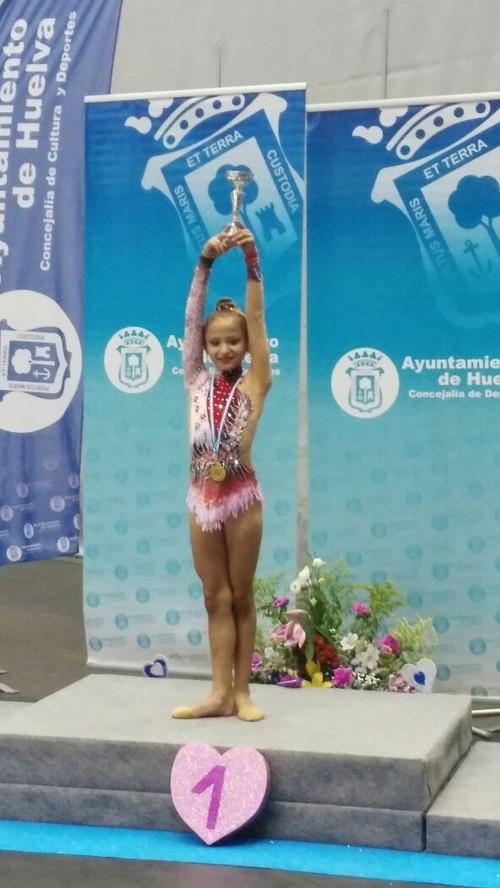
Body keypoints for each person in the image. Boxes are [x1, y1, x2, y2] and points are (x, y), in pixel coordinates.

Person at [172, 226, 271, 722]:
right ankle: (218, 693)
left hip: (241, 500)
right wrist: (204, 264)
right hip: (201, 499)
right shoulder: (194, 380)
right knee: (215, 597)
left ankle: (244, 693)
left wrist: (251, 258)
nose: (226, 348)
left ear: (247, 344)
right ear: (206, 348)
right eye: (217, 342)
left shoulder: (257, 381)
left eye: (234, 341)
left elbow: (255, 315)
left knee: (242, 595)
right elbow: (191, 322)